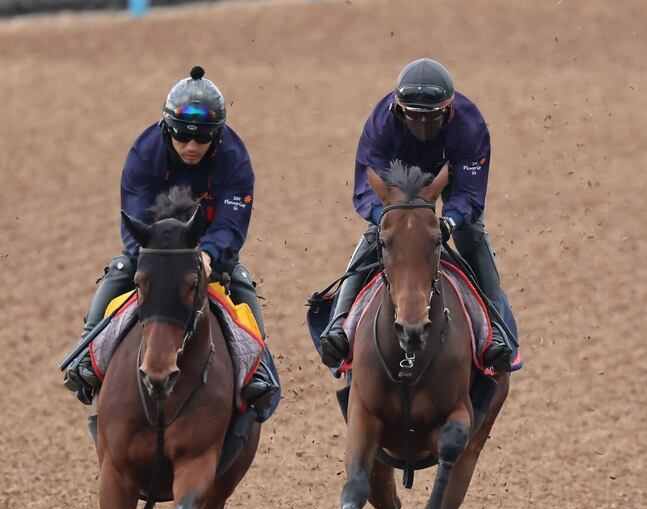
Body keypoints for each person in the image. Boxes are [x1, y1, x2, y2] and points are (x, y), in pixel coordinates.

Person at [64, 66, 279, 409]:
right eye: (182, 137)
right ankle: (87, 355)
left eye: (202, 139)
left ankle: (259, 368)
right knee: (119, 271)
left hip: (208, 253)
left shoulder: (235, 159)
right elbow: (135, 219)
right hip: (156, 250)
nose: (191, 146)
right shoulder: (144, 152)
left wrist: (208, 255)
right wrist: (152, 256)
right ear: (167, 130)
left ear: (217, 136)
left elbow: (231, 224)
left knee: (241, 284)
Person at [320, 57, 514, 372]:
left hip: (450, 181)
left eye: (433, 118)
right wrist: (388, 218)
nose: (422, 126)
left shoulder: (470, 125)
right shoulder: (381, 125)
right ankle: (339, 325)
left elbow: (469, 194)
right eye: (414, 118)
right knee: (378, 236)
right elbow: (364, 189)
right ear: (398, 110)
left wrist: (449, 220)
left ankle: (494, 333)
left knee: (471, 234)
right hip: (398, 184)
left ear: (449, 110)